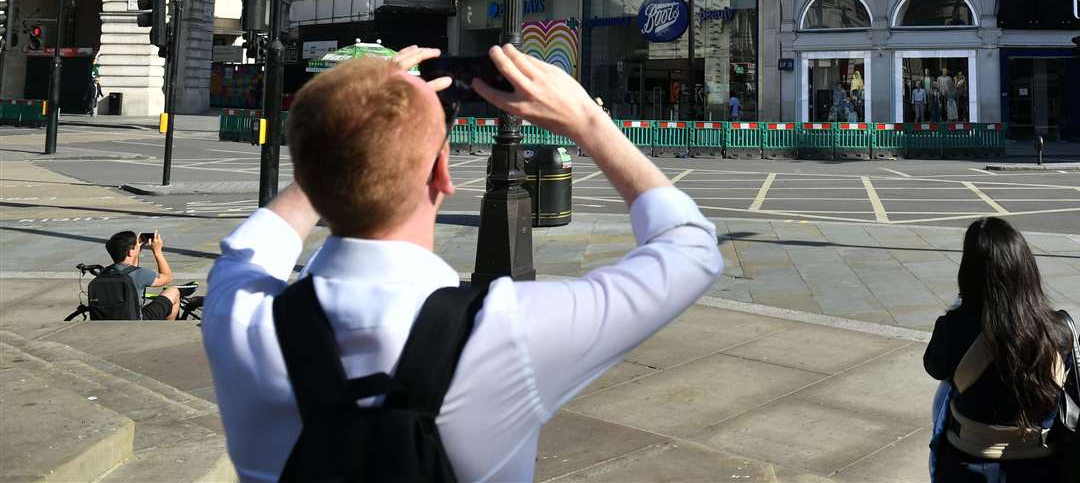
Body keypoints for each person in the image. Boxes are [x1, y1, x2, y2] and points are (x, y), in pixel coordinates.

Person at [201, 45, 721, 481]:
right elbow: (691, 247)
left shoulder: (240, 318)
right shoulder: (508, 331)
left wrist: (349, 132)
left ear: (311, 175)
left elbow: (255, 244)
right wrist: (587, 119)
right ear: (443, 174)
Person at [924, 217, 1068, 481]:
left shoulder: (953, 327)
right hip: (1041, 466)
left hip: (970, 463)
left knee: (947, 393)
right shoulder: (1059, 330)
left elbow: (934, 367)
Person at [100, 230, 181, 320]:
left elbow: (131, 268)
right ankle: (167, 329)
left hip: (112, 320)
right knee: (173, 291)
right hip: (136, 321)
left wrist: (136, 250)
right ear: (130, 252)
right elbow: (167, 277)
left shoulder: (104, 272)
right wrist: (157, 251)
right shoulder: (141, 274)